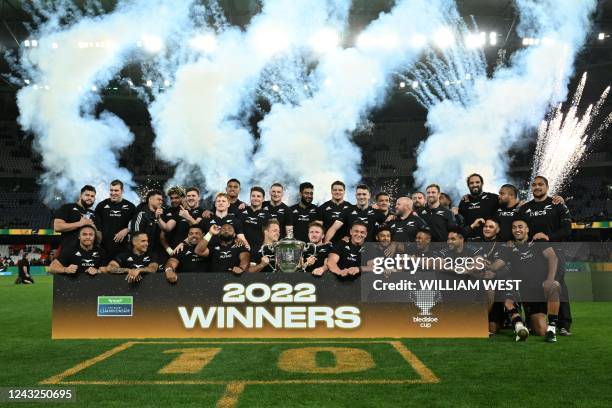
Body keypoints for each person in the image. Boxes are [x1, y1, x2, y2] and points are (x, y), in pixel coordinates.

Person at [486, 218, 561, 342]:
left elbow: (553, 258)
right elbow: (496, 266)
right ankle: (519, 322)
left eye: (520, 227)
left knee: (553, 286)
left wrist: (549, 279)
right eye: (514, 227)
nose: (517, 230)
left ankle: (551, 330)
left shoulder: (538, 242)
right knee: (507, 295)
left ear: (527, 229)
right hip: (520, 291)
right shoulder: (509, 248)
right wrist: (482, 264)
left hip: (537, 291)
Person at [518, 175, 572, 335]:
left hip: (555, 251)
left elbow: (567, 229)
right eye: (534, 184)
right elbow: (518, 229)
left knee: (556, 284)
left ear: (547, 187)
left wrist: (549, 237)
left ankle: (563, 325)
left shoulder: (557, 205)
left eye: (540, 184)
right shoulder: (524, 208)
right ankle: (530, 321)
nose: (537, 187)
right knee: (530, 284)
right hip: (531, 254)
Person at [94, 180, 136, 263]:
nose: (113, 193)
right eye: (111, 190)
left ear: (122, 191)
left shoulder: (130, 207)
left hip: (122, 249)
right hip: (103, 249)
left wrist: (127, 229)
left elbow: (137, 223)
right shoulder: (101, 205)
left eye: (116, 190)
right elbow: (95, 224)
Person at [53, 185, 100, 254]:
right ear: (80, 195)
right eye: (87, 195)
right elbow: (57, 227)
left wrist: (94, 228)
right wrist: (80, 224)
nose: (90, 198)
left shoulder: (95, 214)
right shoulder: (67, 207)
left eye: (92, 196)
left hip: (89, 255)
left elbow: (99, 239)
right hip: (68, 254)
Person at [458, 174, 500, 239]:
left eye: (477, 182)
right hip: (470, 241)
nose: (474, 185)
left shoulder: (493, 198)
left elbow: (508, 205)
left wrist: (518, 204)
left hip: (489, 241)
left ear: (482, 183)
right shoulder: (464, 201)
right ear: (468, 185)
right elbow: (461, 224)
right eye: (471, 183)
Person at [239, 186, 271, 252]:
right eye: (253, 196)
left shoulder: (267, 215)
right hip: (241, 249)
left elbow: (268, 235)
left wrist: (263, 249)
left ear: (263, 199)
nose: (255, 198)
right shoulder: (241, 210)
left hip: (258, 250)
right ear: (250, 197)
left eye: (258, 196)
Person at [160, 186, 186, 255]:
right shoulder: (165, 212)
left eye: (176, 198)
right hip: (169, 252)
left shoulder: (189, 212)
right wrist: (169, 250)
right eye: (171, 198)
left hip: (186, 251)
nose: (174, 200)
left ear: (183, 198)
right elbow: (162, 235)